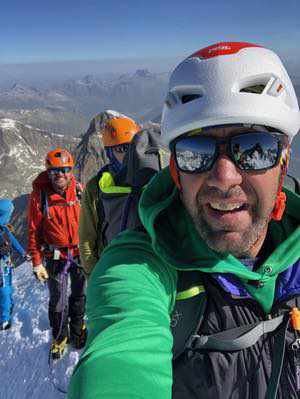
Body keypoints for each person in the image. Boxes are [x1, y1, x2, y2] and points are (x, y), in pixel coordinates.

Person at [67, 42, 300, 399]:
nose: (225, 177)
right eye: (196, 153)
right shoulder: (141, 263)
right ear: (175, 171)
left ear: (283, 161)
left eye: (254, 150)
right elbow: (123, 350)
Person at [28, 148, 86, 359]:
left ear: (71, 171)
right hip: (55, 257)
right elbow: (33, 230)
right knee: (58, 300)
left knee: (79, 295)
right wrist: (36, 261)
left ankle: (78, 328)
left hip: (79, 253)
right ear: (48, 173)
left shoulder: (79, 191)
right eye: (54, 172)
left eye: (64, 170)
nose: (59, 175)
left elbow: (91, 222)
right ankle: (60, 336)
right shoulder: (40, 195)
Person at [79, 115, 140, 278]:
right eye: (121, 149)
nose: (129, 155)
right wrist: (92, 275)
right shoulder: (95, 188)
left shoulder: (154, 179)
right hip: (111, 269)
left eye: (132, 147)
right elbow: (87, 237)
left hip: (148, 268)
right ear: (110, 153)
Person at [0, 199, 27, 330]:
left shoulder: (3, 228)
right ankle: (4, 318)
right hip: (2, 265)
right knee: (4, 289)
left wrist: (23, 253)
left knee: (8, 285)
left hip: (6, 263)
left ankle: (9, 306)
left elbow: (13, 240)